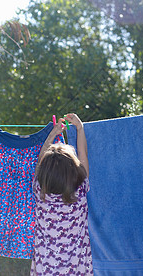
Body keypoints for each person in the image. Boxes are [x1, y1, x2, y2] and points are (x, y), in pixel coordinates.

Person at [30, 113, 93, 275]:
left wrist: (53, 134)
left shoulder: (40, 193)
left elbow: (40, 162)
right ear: (73, 170)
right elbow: (83, 156)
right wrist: (80, 127)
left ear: (45, 173)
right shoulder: (80, 193)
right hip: (77, 269)